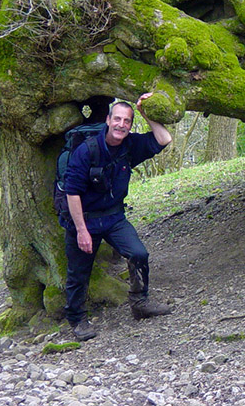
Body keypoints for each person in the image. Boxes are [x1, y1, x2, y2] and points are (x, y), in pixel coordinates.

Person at [61, 93, 173, 341]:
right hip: (84, 219)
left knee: (138, 253)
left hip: (113, 217)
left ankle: (139, 303)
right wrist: (81, 230)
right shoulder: (86, 151)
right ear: (108, 120)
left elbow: (164, 139)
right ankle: (77, 320)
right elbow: (72, 192)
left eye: (128, 121)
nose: (122, 125)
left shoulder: (130, 145)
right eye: (118, 119)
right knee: (79, 273)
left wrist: (145, 112)